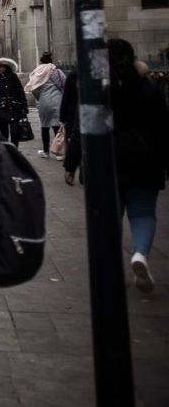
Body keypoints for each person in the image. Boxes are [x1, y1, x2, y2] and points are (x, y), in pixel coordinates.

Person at [63, 39, 167, 294]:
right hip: (144, 158)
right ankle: (140, 254)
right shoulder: (149, 87)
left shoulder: (95, 90)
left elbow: (81, 128)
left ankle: (111, 270)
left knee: (109, 216)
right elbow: (163, 128)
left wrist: (71, 162)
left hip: (104, 160)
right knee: (143, 212)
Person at [24, 52, 65, 159]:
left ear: (41, 62)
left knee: (45, 126)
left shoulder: (37, 72)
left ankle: (46, 152)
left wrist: (40, 98)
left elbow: (34, 89)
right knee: (57, 125)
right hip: (57, 100)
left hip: (44, 101)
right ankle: (59, 153)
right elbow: (64, 83)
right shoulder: (57, 71)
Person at [0, 58, 27, 143]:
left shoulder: (12, 77)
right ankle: (6, 151)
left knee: (15, 132)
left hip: (14, 108)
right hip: (1, 109)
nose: (1, 69)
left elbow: (20, 91)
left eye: (3, 67)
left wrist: (24, 107)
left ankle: (14, 149)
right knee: (3, 134)